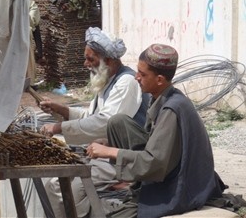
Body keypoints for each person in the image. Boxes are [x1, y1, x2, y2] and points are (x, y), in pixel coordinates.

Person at [86, 43, 226, 218]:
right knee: (118, 122)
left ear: (159, 79)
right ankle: (132, 181)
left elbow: (154, 161)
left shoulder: (172, 109)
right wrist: (108, 143)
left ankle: (137, 187)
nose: (136, 77)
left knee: (117, 215)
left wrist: (110, 152)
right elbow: (154, 141)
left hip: (180, 186)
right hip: (167, 168)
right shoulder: (163, 96)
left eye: (142, 74)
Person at [39, 27, 150, 218]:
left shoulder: (126, 82)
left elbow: (104, 123)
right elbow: (91, 115)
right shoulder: (107, 80)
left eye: (91, 59)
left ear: (108, 60)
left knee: (63, 187)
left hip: (119, 156)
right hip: (100, 153)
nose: (86, 64)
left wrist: (58, 128)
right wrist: (63, 110)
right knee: (54, 183)